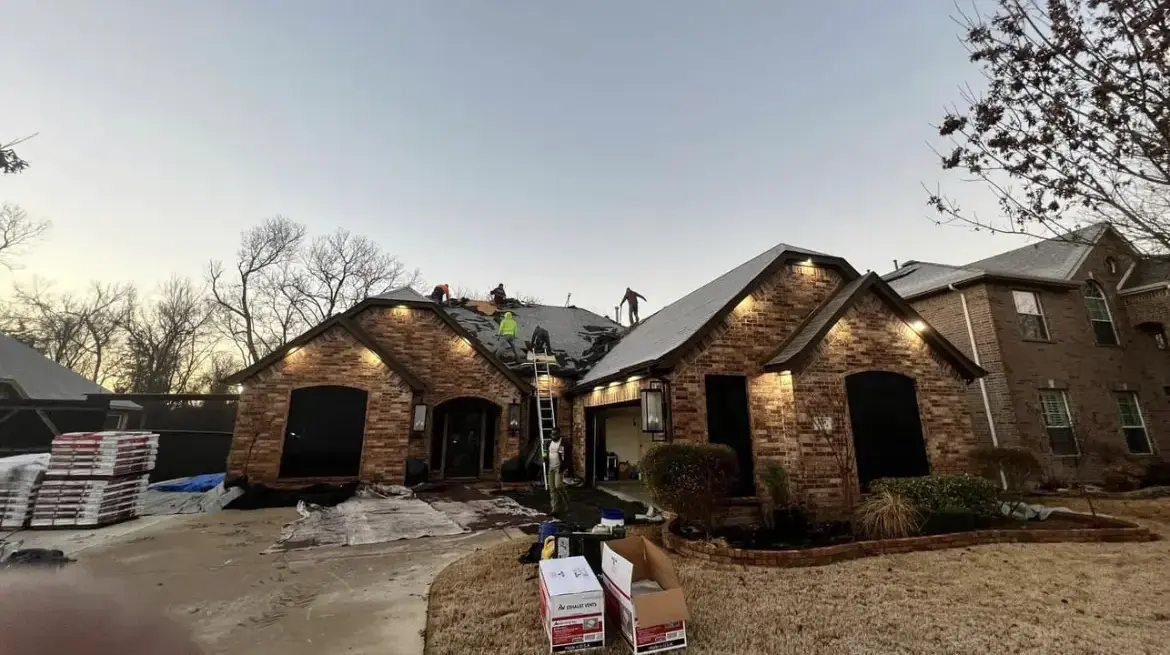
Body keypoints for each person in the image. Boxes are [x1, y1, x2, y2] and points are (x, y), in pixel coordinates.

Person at [546, 432, 568, 516]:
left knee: (558, 485)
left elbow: (564, 456)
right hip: (550, 467)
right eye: (552, 435)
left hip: (559, 467)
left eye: (555, 435)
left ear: (559, 435)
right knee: (552, 489)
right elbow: (545, 452)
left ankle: (566, 500)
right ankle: (555, 509)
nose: (553, 436)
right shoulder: (549, 443)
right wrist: (544, 458)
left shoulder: (562, 443)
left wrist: (564, 466)